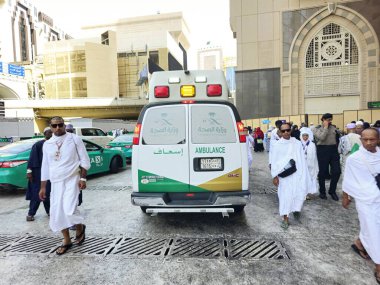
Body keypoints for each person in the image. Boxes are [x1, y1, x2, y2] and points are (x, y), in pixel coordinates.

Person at [39, 116, 91, 255]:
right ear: (50, 127)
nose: (57, 128)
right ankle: (66, 240)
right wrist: (43, 186)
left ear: (64, 125)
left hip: (72, 179)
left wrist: (83, 179)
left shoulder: (74, 139)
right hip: (56, 182)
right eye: (54, 126)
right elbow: (45, 166)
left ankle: (79, 226)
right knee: (57, 212)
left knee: (69, 210)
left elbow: (84, 160)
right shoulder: (47, 144)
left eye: (60, 125)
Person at [342, 128, 380, 284]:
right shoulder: (354, 158)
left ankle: (359, 243)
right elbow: (348, 179)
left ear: (378, 139)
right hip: (365, 200)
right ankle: (378, 266)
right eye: (365, 140)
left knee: (373, 228)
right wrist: (346, 196)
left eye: (372, 139)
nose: (368, 142)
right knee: (374, 231)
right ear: (361, 139)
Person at [271, 123, 309, 229]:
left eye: (288, 130)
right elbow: (274, 161)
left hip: (297, 174)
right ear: (280, 132)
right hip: (284, 176)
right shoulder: (278, 145)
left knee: (298, 194)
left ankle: (296, 209)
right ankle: (285, 219)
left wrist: (303, 174)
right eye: (283, 131)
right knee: (285, 197)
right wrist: (275, 176)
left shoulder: (297, 143)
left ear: (290, 130)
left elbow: (302, 159)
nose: (286, 132)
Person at [26, 127, 52, 221]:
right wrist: (29, 172)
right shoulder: (38, 145)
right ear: (45, 133)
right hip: (38, 173)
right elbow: (31, 159)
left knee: (48, 193)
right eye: (49, 132)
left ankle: (50, 212)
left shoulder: (54, 144)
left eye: (51, 132)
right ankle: (30, 213)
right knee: (36, 194)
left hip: (50, 173)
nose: (51, 133)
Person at [313, 113, 341, 201]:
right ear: (323, 120)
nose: (329, 121)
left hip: (333, 150)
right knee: (322, 172)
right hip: (322, 150)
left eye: (330, 120)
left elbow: (337, 139)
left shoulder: (333, 128)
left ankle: (332, 191)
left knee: (337, 171)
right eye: (328, 120)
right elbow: (321, 137)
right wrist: (325, 128)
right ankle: (322, 192)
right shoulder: (316, 129)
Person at [299, 128, 319, 198]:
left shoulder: (312, 144)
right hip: (301, 165)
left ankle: (308, 192)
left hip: (310, 165)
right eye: (303, 135)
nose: (305, 137)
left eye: (306, 135)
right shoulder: (298, 144)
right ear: (301, 136)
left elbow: (315, 156)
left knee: (310, 178)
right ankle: (302, 192)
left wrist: (315, 165)